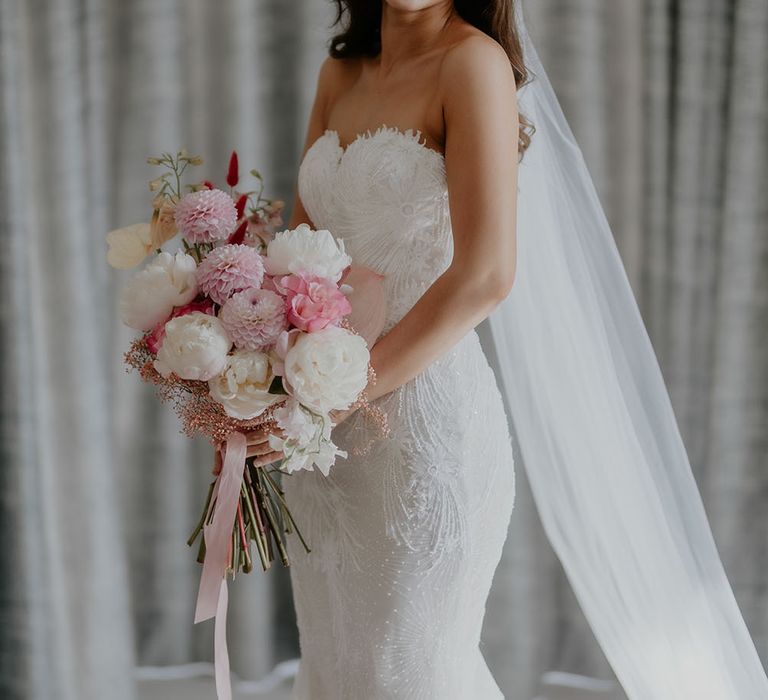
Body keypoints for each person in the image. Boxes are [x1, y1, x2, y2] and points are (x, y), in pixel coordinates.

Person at [245, 2, 768, 698]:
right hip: (321, 454)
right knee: (337, 665)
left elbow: (485, 276)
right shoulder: (340, 70)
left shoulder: (472, 64)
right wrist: (250, 366)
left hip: (417, 434)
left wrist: (332, 399)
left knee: (412, 672)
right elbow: (300, 260)